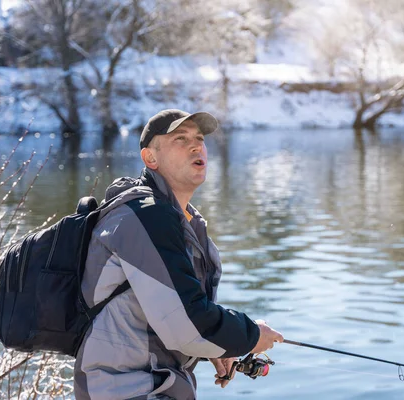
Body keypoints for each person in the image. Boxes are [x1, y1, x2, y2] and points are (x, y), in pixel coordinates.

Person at [74, 109, 283, 399]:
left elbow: (171, 314)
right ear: (151, 158)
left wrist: (213, 346)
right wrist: (251, 335)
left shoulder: (183, 221)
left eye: (199, 138)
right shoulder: (144, 216)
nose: (196, 145)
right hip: (125, 389)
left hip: (155, 386)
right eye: (180, 139)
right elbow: (186, 322)